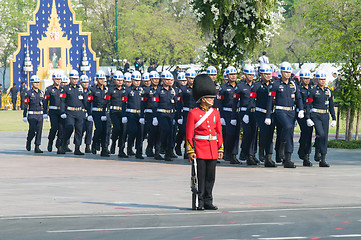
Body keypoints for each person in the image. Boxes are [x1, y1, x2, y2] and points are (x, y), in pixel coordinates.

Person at [186, 73, 223, 210]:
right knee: (200, 178)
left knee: (210, 178)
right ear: (202, 99)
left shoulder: (215, 113)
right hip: (200, 150)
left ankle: (208, 200)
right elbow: (189, 134)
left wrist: (220, 148)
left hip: (212, 149)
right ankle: (200, 201)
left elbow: (218, 132)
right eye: (209, 97)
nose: (212, 100)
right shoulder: (193, 113)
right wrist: (191, 151)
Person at [266, 62, 304, 168]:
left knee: (290, 134)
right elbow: (270, 101)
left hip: (291, 112)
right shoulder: (276, 84)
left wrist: (301, 109)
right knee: (287, 127)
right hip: (280, 111)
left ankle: (287, 159)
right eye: (285, 72)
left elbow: (299, 97)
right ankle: (281, 145)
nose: (287, 74)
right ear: (281, 72)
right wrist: (268, 115)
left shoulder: (293, 84)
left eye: (289, 72)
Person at [306, 70, 336, 167]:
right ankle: (317, 150)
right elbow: (308, 105)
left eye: (324, 79)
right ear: (317, 80)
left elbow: (331, 106)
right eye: (321, 79)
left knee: (325, 137)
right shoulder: (313, 91)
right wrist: (308, 117)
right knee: (321, 134)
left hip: (325, 116)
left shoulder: (328, 91)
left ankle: (322, 159)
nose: (323, 81)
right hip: (316, 115)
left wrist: (334, 118)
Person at [232, 64, 258, 165]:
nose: (251, 77)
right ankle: (245, 151)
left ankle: (250, 155)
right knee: (247, 133)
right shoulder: (240, 86)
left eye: (252, 75)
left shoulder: (256, 85)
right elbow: (235, 101)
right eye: (249, 75)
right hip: (243, 112)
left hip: (254, 111)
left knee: (254, 133)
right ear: (245, 75)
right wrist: (234, 116)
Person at [252, 64, 276, 167]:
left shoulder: (274, 85)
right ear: (261, 74)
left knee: (270, 135)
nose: (268, 76)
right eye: (265, 74)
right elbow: (251, 100)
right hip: (260, 113)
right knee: (263, 133)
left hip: (271, 113)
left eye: (269, 74)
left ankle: (268, 157)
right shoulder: (256, 85)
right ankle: (261, 151)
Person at [57, 70, 86, 155]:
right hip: (70, 112)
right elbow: (62, 101)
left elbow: (84, 101)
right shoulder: (65, 88)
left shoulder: (80, 88)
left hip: (79, 112)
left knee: (79, 130)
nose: (75, 80)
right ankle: (63, 144)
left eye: (76, 79)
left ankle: (77, 148)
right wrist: (62, 112)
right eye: (73, 79)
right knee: (69, 128)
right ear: (70, 78)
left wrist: (88, 112)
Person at [152, 70, 178, 161]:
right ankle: (160, 149)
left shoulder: (173, 91)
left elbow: (176, 104)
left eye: (171, 80)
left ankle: (168, 153)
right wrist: (155, 117)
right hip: (161, 114)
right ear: (163, 80)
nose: (170, 81)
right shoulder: (158, 90)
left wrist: (176, 116)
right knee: (165, 131)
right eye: (168, 79)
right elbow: (154, 104)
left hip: (170, 114)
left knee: (170, 133)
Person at [87, 70, 111, 156]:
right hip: (96, 112)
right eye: (100, 79)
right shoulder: (92, 89)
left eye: (103, 78)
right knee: (99, 129)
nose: (102, 80)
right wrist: (89, 114)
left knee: (106, 130)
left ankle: (104, 148)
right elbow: (89, 102)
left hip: (105, 112)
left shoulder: (107, 89)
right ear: (97, 79)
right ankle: (95, 142)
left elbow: (108, 101)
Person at [122, 70, 144, 159]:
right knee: (133, 131)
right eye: (135, 80)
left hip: (140, 114)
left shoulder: (142, 91)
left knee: (140, 134)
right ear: (132, 80)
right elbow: (124, 103)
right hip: (131, 114)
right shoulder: (127, 90)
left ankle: (139, 152)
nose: (137, 82)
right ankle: (129, 147)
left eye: (139, 80)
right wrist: (124, 115)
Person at [218, 66, 238, 163]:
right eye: (231, 74)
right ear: (227, 76)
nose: (233, 76)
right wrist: (221, 116)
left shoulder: (239, 86)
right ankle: (227, 151)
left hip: (236, 113)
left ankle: (233, 155)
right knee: (229, 133)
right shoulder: (223, 88)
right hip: (227, 113)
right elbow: (220, 103)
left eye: (234, 74)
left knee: (235, 134)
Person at [175, 68, 197, 159]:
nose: (192, 80)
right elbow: (179, 103)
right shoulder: (183, 89)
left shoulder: (197, 89)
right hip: (186, 112)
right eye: (190, 78)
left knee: (194, 133)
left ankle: (189, 150)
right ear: (187, 78)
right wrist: (179, 116)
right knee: (185, 131)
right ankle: (179, 145)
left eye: (193, 78)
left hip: (195, 112)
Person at [107, 71, 127, 158]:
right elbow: (107, 101)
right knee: (117, 128)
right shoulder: (110, 90)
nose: (119, 82)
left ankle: (121, 149)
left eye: (121, 80)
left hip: (123, 112)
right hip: (114, 112)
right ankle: (114, 142)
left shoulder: (125, 90)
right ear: (114, 80)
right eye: (117, 80)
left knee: (124, 131)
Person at [23, 75, 44, 153]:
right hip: (32, 115)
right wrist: (24, 115)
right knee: (32, 130)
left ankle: (37, 146)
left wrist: (45, 114)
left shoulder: (41, 93)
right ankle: (29, 140)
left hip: (40, 115)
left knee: (39, 130)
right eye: (35, 82)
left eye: (38, 82)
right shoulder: (28, 93)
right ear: (32, 83)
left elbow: (44, 105)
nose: (36, 84)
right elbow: (25, 105)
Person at [44, 71, 64, 153]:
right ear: (53, 79)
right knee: (54, 128)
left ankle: (59, 145)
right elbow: (45, 102)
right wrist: (45, 112)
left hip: (62, 111)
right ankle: (50, 141)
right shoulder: (49, 89)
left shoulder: (63, 89)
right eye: (57, 79)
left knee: (61, 129)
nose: (58, 81)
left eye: (59, 79)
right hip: (53, 111)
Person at [297, 69, 313, 166]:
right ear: (301, 79)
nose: (306, 80)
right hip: (301, 113)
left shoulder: (312, 89)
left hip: (310, 113)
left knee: (309, 132)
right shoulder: (298, 89)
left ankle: (306, 156)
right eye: (304, 78)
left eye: (308, 78)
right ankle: (302, 148)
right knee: (305, 131)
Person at [79, 75, 93, 153]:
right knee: (80, 130)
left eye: (87, 82)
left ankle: (88, 146)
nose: (85, 84)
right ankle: (78, 145)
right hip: (81, 112)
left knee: (89, 130)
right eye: (84, 82)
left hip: (89, 113)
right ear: (80, 83)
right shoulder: (79, 91)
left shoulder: (90, 91)